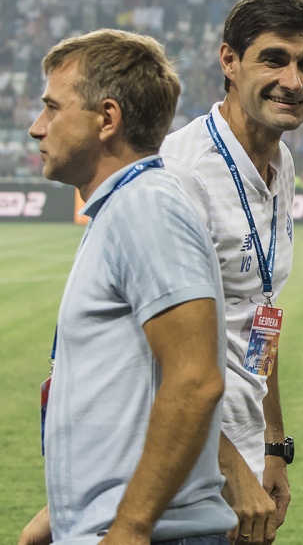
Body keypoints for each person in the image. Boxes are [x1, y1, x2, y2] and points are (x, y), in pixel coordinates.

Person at [19, 29, 235, 545]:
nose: (36, 127)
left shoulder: (145, 206)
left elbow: (195, 379)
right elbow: (126, 392)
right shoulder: (127, 205)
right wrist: (59, 519)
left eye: (52, 107)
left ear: (107, 119)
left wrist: (131, 527)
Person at [160, 0, 303, 545]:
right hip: (179, 475)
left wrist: (271, 444)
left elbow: (261, 315)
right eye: (273, 59)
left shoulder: (281, 163)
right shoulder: (180, 174)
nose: (294, 81)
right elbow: (150, 355)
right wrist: (233, 471)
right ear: (229, 61)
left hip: (242, 462)